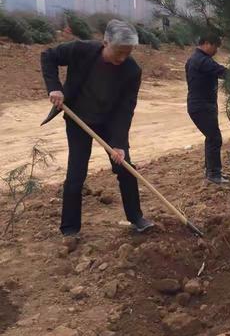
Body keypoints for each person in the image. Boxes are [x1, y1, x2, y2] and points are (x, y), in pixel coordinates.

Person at [40, 19, 154, 238]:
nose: (122, 58)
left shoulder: (132, 70)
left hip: (109, 123)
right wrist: (54, 88)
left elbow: (125, 109)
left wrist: (119, 144)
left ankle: (136, 218)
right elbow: (49, 56)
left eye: (127, 53)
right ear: (105, 42)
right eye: (119, 52)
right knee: (76, 173)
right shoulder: (81, 50)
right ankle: (70, 229)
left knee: (125, 168)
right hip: (78, 120)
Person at [185, 34, 228, 184]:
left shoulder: (194, 59)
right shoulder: (202, 60)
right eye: (216, 47)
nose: (216, 50)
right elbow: (221, 71)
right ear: (208, 43)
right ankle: (214, 175)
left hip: (200, 105)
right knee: (215, 138)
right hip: (201, 106)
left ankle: (210, 170)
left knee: (211, 137)